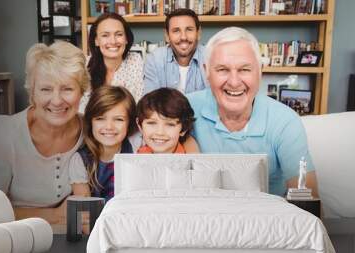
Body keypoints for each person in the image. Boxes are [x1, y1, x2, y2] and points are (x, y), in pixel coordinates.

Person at [186, 27, 318, 198]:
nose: (234, 82)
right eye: (222, 70)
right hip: (204, 216)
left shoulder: (285, 120)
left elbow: (308, 199)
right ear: (206, 72)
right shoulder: (185, 108)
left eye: (244, 69)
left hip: (266, 219)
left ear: (260, 70)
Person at [0, 41, 89, 227]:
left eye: (67, 89)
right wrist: (56, 215)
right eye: (46, 89)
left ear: (82, 91)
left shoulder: (91, 132)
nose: (56, 101)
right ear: (32, 93)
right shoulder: (5, 135)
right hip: (14, 237)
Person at [69, 86, 137, 202]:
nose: (109, 127)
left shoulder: (135, 150)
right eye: (100, 119)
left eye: (119, 119)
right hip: (97, 218)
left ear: (129, 123)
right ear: (91, 121)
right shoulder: (80, 160)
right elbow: (85, 211)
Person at [80, 12, 144, 112]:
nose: (113, 41)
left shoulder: (135, 61)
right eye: (105, 35)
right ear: (96, 40)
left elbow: (138, 106)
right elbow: (81, 109)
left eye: (118, 34)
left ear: (126, 39)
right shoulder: (84, 66)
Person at [143, 9, 207, 94]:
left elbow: (215, 102)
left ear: (198, 33)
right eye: (176, 31)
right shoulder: (154, 60)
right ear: (167, 36)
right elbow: (150, 103)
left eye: (189, 29)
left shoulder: (211, 58)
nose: (183, 37)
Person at [136, 88, 195, 153]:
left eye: (170, 124)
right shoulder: (132, 158)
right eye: (151, 123)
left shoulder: (191, 159)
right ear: (140, 125)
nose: (160, 132)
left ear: (184, 129)